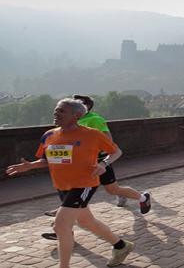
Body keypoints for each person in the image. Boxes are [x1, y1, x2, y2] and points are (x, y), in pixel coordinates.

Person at [5, 98, 134, 268]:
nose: (56, 113)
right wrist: (29, 166)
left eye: (61, 111)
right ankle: (121, 246)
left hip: (85, 184)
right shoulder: (49, 135)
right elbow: (47, 160)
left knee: (61, 225)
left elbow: (117, 151)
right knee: (86, 222)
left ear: (76, 115)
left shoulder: (92, 134)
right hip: (62, 186)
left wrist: (103, 164)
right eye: (56, 110)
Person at [41, 94, 152, 241]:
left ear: (85, 107)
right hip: (79, 169)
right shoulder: (67, 122)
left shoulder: (96, 120)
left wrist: (102, 162)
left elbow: (109, 143)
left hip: (98, 164)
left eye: (77, 103)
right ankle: (63, 231)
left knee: (113, 190)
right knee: (72, 198)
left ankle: (142, 197)